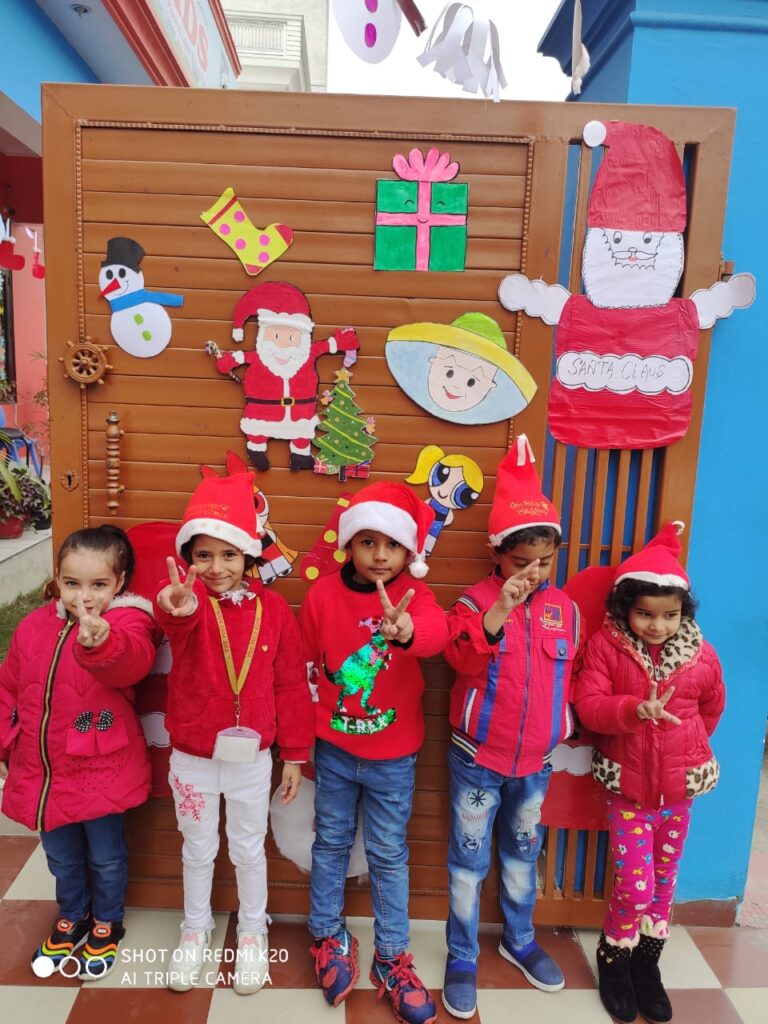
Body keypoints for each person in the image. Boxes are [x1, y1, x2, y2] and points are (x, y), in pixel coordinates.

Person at [154, 469, 313, 995]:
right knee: (197, 848)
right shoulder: (190, 603)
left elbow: (290, 684)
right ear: (188, 559)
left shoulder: (274, 611)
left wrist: (295, 754)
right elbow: (175, 617)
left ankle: (250, 931)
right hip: (192, 757)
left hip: (253, 759)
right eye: (203, 555)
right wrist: (176, 605)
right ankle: (194, 929)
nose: (216, 567)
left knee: (247, 848)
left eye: (228, 555)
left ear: (248, 555)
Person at [442, 436, 580, 1018]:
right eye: (522, 561)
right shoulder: (474, 602)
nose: (533, 572)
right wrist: (499, 610)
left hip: (535, 765)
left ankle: (519, 940)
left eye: (544, 561)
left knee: (524, 857)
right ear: (497, 554)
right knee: (468, 863)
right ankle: (461, 954)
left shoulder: (565, 609)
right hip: (478, 757)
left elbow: (569, 678)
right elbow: (459, 659)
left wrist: (564, 728)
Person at [300, 481, 448, 1024]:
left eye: (392, 544)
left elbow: (436, 632)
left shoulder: (415, 596)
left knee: (387, 853)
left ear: (409, 551)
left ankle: (391, 957)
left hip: (393, 757)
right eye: (367, 541)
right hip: (334, 748)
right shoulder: (321, 596)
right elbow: (304, 666)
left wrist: (406, 630)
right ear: (348, 544)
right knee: (331, 843)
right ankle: (327, 937)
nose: (380, 554)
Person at [574, 522, 724, 1024]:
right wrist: (633, 710)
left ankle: (646, 964)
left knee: (663, 885)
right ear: (624, 608)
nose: (658, 625)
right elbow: (588, 705)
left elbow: (712, 707)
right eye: (645, 613)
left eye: (669, 615)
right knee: (636, 887)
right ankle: (614, 958)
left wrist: (689, 749)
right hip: (629, 792)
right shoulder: (605, 648)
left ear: (683, 612)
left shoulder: (702, 655)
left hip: (679, 792)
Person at [0, 525, 160, 980]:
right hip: (45, 773)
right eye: (72, 583)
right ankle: (72, 915)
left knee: (106, 856)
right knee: (61, 856)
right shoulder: (35, 626)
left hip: (99, 770)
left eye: (98, 584)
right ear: (57, 578)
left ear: (120, 582)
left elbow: (131, 661)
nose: (84, 597)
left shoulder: (127, 622)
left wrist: (101, 643)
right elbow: (8, 687)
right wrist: (6, 741)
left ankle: (107, 922)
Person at [405, 444, 484, 557]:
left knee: (426, 542)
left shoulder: (440, 508)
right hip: (420, 531)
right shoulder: (430, 504)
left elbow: (447, 519)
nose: (443, 493)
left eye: (461, 493)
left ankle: (424, 551)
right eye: (442, 475)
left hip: (432, 533)